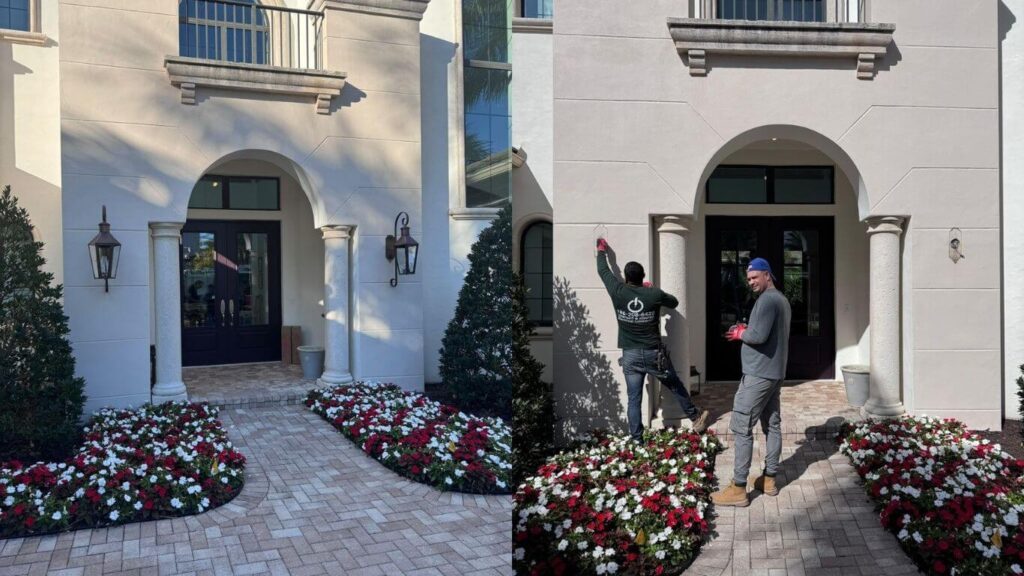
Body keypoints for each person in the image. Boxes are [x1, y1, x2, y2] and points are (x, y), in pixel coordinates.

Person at [596, 238, 710, 441]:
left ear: (626, 278)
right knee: (675, 385)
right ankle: (695, 417)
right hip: (653, 354)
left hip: (630, 355)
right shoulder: (653, 294)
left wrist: (601, 250)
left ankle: (637, 439)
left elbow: (604, 272)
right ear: (643, 277)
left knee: (634, 399)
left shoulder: (618, 291)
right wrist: (652, 290)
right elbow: (673, 302)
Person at [711, 257, 792, 507]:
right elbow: (765, 333)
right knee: (772, 425)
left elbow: (757, 336)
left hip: (759, 375)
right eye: (748, 279)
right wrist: (748, 328)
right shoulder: (781, 299)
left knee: (741, 426)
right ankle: (769, 479)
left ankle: (737, 488)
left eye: (755, 277)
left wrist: (740, 333)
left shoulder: (768, 300)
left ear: (767, 274)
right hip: (773, 372)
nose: (751, 282)